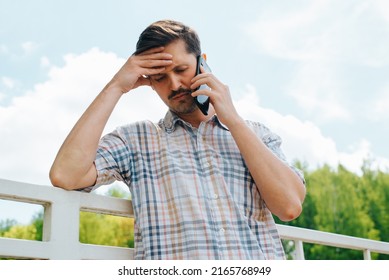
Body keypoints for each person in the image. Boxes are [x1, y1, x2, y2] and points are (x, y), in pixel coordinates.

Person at [49, 19, 306, 260]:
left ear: (202, 63)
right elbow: (65, 174)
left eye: (181, 70)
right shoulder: (136, 139)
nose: (173, 85)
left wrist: (234, 120)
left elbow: (289, 207)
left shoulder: (257, 134)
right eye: (160, 77)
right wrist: (116, 85)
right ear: (148, 80)